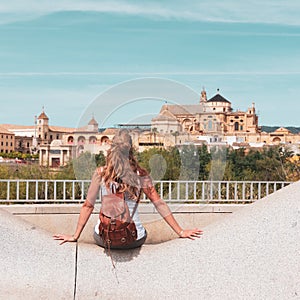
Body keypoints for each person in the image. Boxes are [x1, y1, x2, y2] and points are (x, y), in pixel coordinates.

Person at [53, 129, 203, 248]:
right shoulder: (141, 174)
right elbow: (159, 204)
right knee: (142, 230)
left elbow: (88, 206)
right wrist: (181, 231)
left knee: (99, 228)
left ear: (111, 147)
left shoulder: (100, 173)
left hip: (105, 239)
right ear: (131, 149)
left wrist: (74, 236)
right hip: (133, 238)